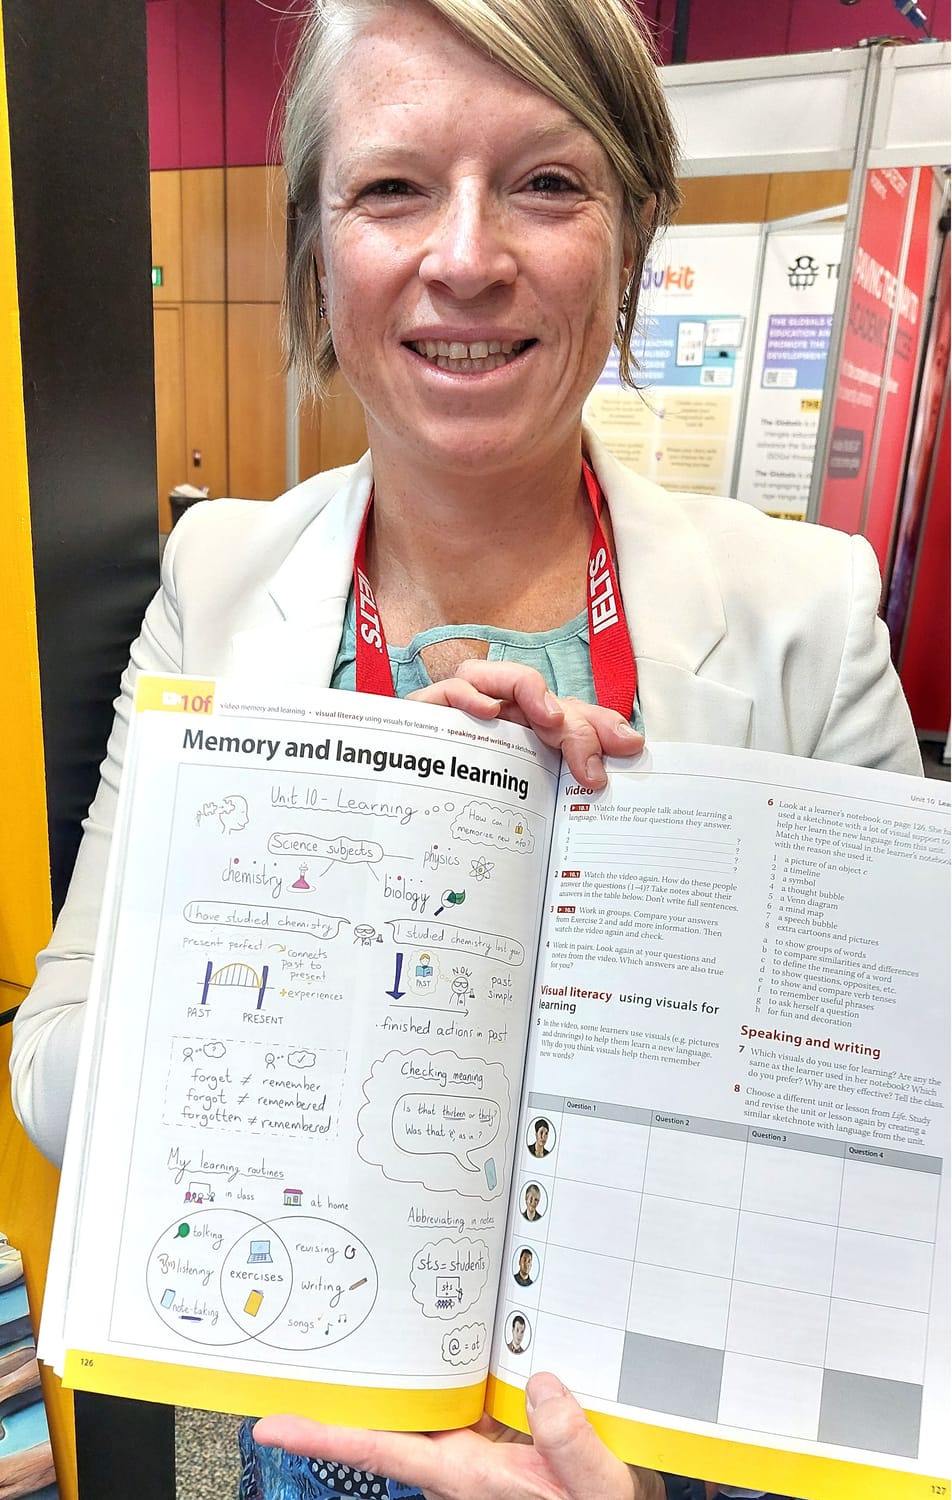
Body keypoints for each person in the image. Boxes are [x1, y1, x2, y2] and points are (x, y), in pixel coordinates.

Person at [10, 0, 921, 1497]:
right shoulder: (225, 580)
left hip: (665, 1457)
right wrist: (343, 866)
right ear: (316, 246)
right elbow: (52, 1062)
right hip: (296, 1398)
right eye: (392, 187)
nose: (467, 256)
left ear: (631, 239)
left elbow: (896, 1147)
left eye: (547, 183)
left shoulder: (803, 614)